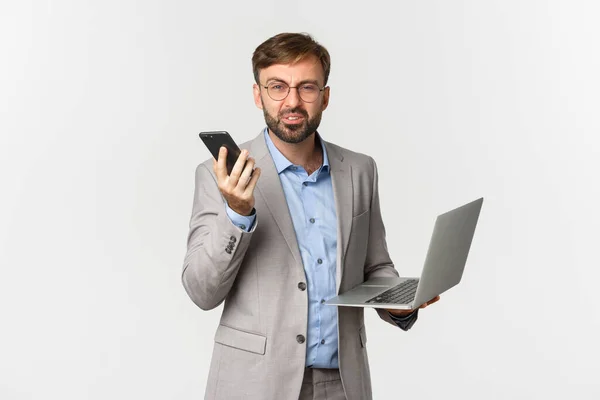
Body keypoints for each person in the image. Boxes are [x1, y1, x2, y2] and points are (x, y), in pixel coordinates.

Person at [182, 32, 440, 400]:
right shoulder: (219, 174)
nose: (292, 101)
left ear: (325, 96)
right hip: (254, 383)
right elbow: (201, 291)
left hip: (344, 383)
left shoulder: (360, 170)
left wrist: (395, 302)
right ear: (258, 95)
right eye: (277, 87)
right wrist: (237, 215)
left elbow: (376, 267)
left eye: (307, 88)